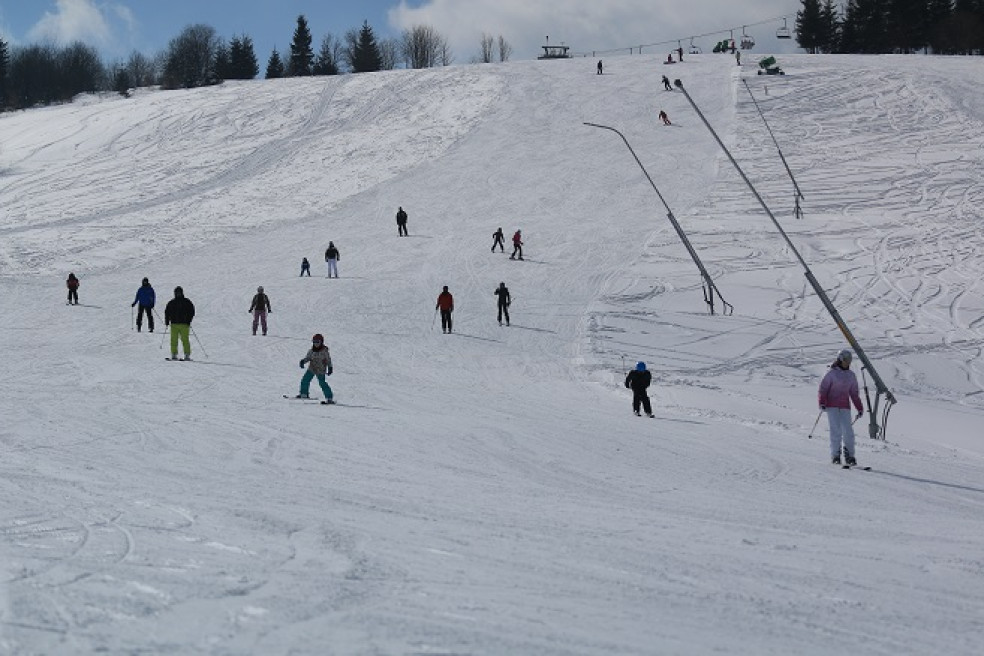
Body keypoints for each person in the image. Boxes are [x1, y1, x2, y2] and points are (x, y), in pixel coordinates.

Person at [818, 348, 864, 465]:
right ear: (840, 359)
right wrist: (822, 402)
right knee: (836, 430)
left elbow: (854, 393)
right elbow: (823, 388)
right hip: (832, 405)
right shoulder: (831, 373)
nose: (848, 362)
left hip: (845, 406)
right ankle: (835, 455)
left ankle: (850, 456)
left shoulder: (851, 375)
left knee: (848, 431)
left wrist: (859, 407)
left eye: (849, 359)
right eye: (846, 359)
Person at [297, 333, 334, 403]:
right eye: (314, 342)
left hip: (320, 369)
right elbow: (308, 358)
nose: (316, 344)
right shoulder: (311, 351)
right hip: (312, 368)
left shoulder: (324, 351)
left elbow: (328, 360)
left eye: (317, 342)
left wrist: (330, 367)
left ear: (321, 342)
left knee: (322, 383)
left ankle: (329, 397)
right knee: (305, 380)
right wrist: (303, 361)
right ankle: (304, 393)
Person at [164, 286, 195, 361]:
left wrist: (188, 320)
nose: (178, 294)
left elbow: (192, 311)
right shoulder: (172, 302)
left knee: (185, 339)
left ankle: (187, 355)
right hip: (174, 324)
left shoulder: (186, 302)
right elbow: (167, 312)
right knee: (173, 340)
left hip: (184, 324)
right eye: (177, 293)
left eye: (179, 293)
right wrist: (167, 321)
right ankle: (174, 354)